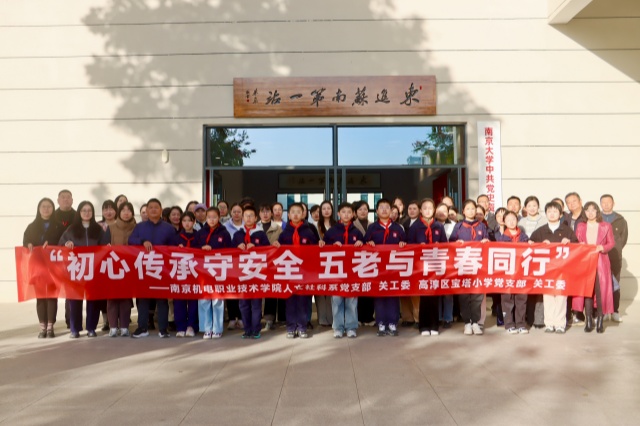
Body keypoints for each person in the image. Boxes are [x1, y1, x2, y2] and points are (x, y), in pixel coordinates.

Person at [58, 201, 110, 338]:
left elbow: (104, 246)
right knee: (75, 299)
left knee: (93, 299)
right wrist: (67, 243)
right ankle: (74, 329)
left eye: (89, 210)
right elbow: (61, 244)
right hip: (76, 269)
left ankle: (91, 328)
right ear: (79, 213)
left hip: (93, 269)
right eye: (84, 210)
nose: (87, 213)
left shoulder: (98, 229)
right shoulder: (71, 229)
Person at [128, 198, 176, 338]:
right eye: (151, 207)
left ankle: (163, 329)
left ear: (161, 210)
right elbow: (131, 241)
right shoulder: (140, 227)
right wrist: (142, 241)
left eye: (156, 207)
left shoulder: (168, 228)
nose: (153, 210)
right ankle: (142, 327)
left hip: (162, 268)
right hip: (144, 268)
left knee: (162, 298)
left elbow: (173, 247)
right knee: (143, 298)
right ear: (147, 211)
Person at [530, 201, 578, 334]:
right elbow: (530, 244)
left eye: (555, 211)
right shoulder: (540, 231)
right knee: (548, 297)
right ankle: (550, 323)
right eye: (549, 211)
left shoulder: (567, 230)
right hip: (546, 270)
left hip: (563, 270)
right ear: (545, 214)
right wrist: (540, 244)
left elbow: (577, 246)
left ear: (560, 214)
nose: (552, 214)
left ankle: (560, 324)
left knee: (561, 297)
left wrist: (569, 242)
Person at [274, 202, 318, 339]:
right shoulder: (284, 233)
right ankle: (291, 327)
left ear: (303, 214)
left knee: (303, 300)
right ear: (288, 215)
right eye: (293, 212)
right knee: (290, 300)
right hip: (289, 271)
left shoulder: (308, 232)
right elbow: (278, 251)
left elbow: (316, 250)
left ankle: (302, 327)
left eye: (298, 212)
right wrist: (276, 245)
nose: (295, 214)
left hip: (305, 271)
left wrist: (320, 244)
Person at [364, 198, 407, 337]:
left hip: (394, 268)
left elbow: (406, 244)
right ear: (376, 211)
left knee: (393, 296)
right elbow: (364, 245)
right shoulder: (372, 228)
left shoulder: (398, 228)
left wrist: (403, 244)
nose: (384, 210)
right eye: (381, 207)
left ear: (391, 210)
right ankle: (381, 322)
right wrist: (368, 243)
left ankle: (393, 323)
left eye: (387, 207)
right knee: (379, 296)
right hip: (377, 269)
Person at [321, 202, 364, 338]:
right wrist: (331, 245)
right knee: (337, 300)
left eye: (349, 212)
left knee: (351, 301)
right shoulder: (332, 231)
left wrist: (361, 243)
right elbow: (323, 248)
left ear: (353, 214)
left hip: (352, 271)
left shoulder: (357, 231)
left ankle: (351, 327)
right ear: (338, 214)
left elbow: (364, 248)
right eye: (343, 212)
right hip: (336, 271)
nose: (346, 214)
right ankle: (338, 327)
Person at [573, 202, 615, 334]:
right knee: (587, 292)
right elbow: (576, 242)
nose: (590, 213)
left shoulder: (606, 226)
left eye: (593, 210)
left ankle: (600, 319)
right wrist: (580, 245)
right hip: (585, 261)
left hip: (601, 261)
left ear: (597, 211)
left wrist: (603, 247)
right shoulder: (581, 226)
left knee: (600, 291)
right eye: (587, 210)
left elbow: (611, 243)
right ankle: (589, 320)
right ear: (584, 212)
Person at [449, 199, 489, 336]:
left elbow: (487, 241)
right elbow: (451, 243)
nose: (471, 211)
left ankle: (475, 322)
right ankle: (467, 322)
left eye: (473, 209)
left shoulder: (482, 226)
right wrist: (456, 242)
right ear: (463, 211)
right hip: (463, 265)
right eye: (468, 209)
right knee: (464, 295)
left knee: (477, 294)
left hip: (478, 265)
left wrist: (486, 241)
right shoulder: (459, 226)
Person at [408, 198, 448, 336]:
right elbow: (409, 245)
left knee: (434, 295)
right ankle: (424, 326)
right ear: (420, 210)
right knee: (424, 296)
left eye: (430, 208)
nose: (427, 210)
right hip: (421, 266)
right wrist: (418, 247)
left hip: (435, 265)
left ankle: (434, 325)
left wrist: (439, 246)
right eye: (424, 208)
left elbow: (445, 244)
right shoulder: (415, 227)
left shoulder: (439, 226)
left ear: (434, 210)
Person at [23, 198, 61, 338]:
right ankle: (42, 327)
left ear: (53, 208)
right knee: (40, 297)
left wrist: (51, 244)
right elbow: (25, 241)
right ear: (39, 209)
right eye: (43, 206)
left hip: (53, 266)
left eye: (49, 206)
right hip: (37, 266)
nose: (46, 209)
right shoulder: (32, 226)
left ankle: (50, 326)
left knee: (51, 296)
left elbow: (62, 242)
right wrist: (28, 244)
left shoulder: (58, 226)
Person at [232, 206, 270, 339]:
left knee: (256, 304)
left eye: (251, 215)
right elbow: (229, 253)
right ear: (243, 217)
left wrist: (257, 247)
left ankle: (256, 329)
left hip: (257, 274)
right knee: (243, 304)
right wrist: (236, 247)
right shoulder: (238, 234)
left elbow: (268, 250)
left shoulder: (260, 234)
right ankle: (247, 329)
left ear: (256, 218)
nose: (248, 218)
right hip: (242, 275)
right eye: (246, 215)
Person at [196, 207, 231, 339]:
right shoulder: (200, 233)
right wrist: (202, 248)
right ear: (206, 218)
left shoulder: (224, 233)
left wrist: (214, 249)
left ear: (219, 218)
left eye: (214, 217)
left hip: (218, 270)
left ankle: (217, 328)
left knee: (217, 300)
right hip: (203, 270)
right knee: (204, 299)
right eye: (209, 217)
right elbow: (193, 249)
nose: (211, 220)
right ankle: (207, 328)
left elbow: (230, 250)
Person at [105, 202, 136, 337]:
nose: (126, 213)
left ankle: (124, 326)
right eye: (123, 210)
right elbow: (104, 245)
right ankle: (113, 326)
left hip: (129, 266)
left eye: (129, 210)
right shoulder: (111, 228)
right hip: (113, 265)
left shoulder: (137, 228)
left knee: (126, 298)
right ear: (119, 212)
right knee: (112, 297)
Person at [496, 211, 529, 334]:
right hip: (507, 274)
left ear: (517, 220)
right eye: (508, 219)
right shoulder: (501, 238)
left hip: (521, 272)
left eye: (513, 219)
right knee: (507, 300)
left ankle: (521, 324)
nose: (511, 221)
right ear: (504, 222)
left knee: (521, 299)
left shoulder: (524, 237)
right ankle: (509, 324)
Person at [519, 196, 548, 329]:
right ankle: (529, 318)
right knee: (528, 288)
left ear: (538, 207)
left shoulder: (544, 220)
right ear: (525, 208)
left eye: (534, 205)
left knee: (539, 287)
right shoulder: (521, 222)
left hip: (541, 257)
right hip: (525, 259)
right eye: (529, 206)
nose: (532, 208)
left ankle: (539, 320)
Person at [600, 194, 627, 322]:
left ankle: (615, 311)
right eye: (603, 202)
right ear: (600, 204)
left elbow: (623, 239)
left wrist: (616, 248)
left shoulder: (620, 220)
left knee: (615, 284)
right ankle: (604, 311)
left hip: (615, 256)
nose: (606, 205)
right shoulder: (597, 218)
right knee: (602, 284)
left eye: (608, 202)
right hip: (600, 256)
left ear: (613, 203)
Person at [257, 204, 284, 330]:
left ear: (271, 213)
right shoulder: (254, 227)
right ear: (259, 214)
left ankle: (269, 318)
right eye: (262, 211)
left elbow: (283, 243)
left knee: (270, 290)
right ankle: (256, 318)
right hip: (256, 264)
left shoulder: (278, 228)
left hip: (272, 264)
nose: (265, 214)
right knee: (256, 290)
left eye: (267, 211)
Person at [173, 212, 199, 338]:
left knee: (194, 300)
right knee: (179, 300)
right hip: (180, 272)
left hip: (195, 272)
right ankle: (181, 326)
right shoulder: (176, 237)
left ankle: (191, 326)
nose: (187, 223)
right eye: (184, 221)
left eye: (189, 220)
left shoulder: (199, 236)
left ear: (194, 221)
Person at [54, 189, 75, 329]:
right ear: (58, 200)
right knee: (52, 290)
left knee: (71, 290)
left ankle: (70, 320)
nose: (66, 199)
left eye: (68, 197)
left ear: (72, 200)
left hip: (72, 259)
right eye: (63, 197)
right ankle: (50, 323)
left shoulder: (77, 216)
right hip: (54, 258)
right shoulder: (52, 216)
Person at [563, 192, 586, 324]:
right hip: (569, 256)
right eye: (568, 202)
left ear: (580, 201)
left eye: (574, 201)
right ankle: (570, 313)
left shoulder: (587, 215)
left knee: (582, 284)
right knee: (569, 283)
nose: (571, 204)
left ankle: (581, 313)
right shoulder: (565, 218)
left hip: (583, 255)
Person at [352, 200, 375, 327]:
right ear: (355, 212)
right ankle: (359, 317)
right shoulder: (352, 225)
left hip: (371, 261)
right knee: (358, 290)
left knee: (370, 289)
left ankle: (369, 317)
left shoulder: (373, 225)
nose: (363, 211)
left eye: (365, 209)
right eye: (360, 209)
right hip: (356, 262)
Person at [315, 200, 336, 327]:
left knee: (331, 289)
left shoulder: (337, 225)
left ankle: (332, 318)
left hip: (333, 261)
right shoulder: (315, 226)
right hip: (318, 261)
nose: (326, 211)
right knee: (320, 290)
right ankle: (322, 318)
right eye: (324, 208)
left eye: (329, 208)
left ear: (332, 210)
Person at [400, 201, 421, 327]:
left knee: (415, 290)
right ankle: (407, 318)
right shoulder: (403, 223)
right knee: (404, 288)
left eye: (414, 208)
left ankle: (418, 318)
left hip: (417, 261)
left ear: (419, 210)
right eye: (410, 208)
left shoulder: (422, 223)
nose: (412, 211)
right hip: (404, 260)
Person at [223, 203, 244, 330]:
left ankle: (241, 318)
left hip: (244, 264)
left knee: (242, 290)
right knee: (230, 290)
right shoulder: (224, 227)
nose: (236, 214)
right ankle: (232, 318)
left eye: (239, 212)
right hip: (230, 262)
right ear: (231, 212)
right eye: (234, 211)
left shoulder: (248, 226)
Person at [435, 202, 455, 328]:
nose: (442, 213)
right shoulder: (431, 225)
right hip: (434, 261)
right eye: (439, 210)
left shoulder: (454, 225)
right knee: (436, 289)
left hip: (449, 261)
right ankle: (438, 317)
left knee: (448, 291)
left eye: (445, 211)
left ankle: (448, 318)